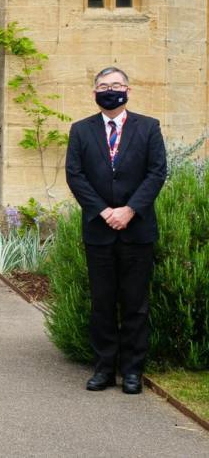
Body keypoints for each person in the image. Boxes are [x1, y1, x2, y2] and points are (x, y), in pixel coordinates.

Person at [65, 66, 166, 395]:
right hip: (99, 230)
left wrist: (129, 209)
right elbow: (75, 175)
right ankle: (104, 369)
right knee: (102, 303)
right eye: (104, 86)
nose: (111, 90)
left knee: (136, 304)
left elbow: (156, 172)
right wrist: (104, 211)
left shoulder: (149, 127)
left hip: (137, 231)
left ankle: (132, 371)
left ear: (128, 90)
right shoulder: (80, 130)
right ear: (94, 92)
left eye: (117, 85)